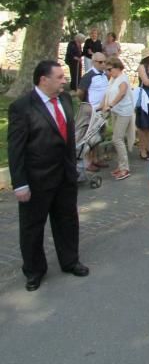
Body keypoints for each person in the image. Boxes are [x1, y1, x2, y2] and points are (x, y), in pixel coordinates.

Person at [7, 60, 89, 291]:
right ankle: (34, 271)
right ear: (44, 80)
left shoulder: (64, 100)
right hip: (37, 179)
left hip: (64, 176)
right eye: (60, 77)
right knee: (32, 227)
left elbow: (68, 138)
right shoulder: (23, 107)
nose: (65, 80)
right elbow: (15, 149)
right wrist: (20, 183)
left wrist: (73, 167)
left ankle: (70, 261)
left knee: (67, 220)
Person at [102, 56, 134, 180]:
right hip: (115, 112)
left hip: (123, 112)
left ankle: (125, 168)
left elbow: (121, 93)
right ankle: (121, 166)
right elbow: (107, 94)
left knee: (117, 139)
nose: (108, 72)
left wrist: (110, 105)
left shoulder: (122, 79)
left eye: (109, 69)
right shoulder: (113, 79)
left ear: (117, 68)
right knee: (117, 138)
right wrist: (102, 106)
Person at [77, 52, 109, 171]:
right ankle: (88, 161)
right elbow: (80, 92)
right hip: (92, 111)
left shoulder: (105, 75)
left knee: (99, 136)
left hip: (103, 110)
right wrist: (88, 104)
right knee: (90, 137)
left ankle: (96, 159)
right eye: (100, 62)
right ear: (93, 62)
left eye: (104, 62)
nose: (103, 64)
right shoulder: (88, 76)